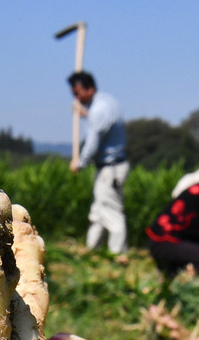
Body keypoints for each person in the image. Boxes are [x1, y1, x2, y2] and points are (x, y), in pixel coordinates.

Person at [67, 71, 129, 255]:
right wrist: (85, 114)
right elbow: (102, 124)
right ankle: (92, 250)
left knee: (111, 212)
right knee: (98, 211)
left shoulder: (99, 109)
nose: (77, 98)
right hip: (110, 167)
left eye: (78, 94)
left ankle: (119, 255)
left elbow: (94, 142)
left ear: (90, 88)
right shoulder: (106, 103)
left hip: (111, 168)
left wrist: (79, 163)